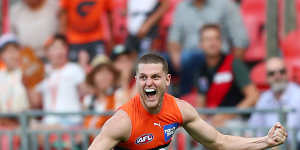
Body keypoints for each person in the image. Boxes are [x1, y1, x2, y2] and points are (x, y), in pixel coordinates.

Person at [88, 53, 287, 150]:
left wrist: (266, 141)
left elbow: (219, 142)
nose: (149, 82)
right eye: (143, 77)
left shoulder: (180, 109)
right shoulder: (122, 122)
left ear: (167, 81)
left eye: (156, 77)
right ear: (137, 81)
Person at [192, 24, 259, 127]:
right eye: (208, 39)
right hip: (212, 121)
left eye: (216, 38)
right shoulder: (201, 70)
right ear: (200, 44)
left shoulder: (234, 63)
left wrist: (227, 116)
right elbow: (201, 105)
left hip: (237, 121)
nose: (212, 43)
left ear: (221, 42)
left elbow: (253, 96)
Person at [167, 0, 248, 71]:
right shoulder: (182, 7)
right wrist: (175, 57)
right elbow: (173, 38)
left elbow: (240, 40)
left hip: (216, 55)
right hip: (186, 57)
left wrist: (232, 68)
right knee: (158, 62)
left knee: (189, 59)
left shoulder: (226, 4)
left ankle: (186, 88)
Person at [30, 34, 85, 127]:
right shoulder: (41, 71)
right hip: (49, 122)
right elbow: (36, 102)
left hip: (72, 121)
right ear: (47, 52)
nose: (59, 51)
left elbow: (85, 92)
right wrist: (28, 83)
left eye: (62, 47)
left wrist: (84, 65)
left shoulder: (74, 68)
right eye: (55, 48)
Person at [248, 57, 300, 147]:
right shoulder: (264, 98)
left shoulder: (298, 95)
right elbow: (253, 127)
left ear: (287, 74)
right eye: (272, 73)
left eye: (282, 71)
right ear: (267, 78)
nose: (277, 76)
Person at [0, 33, 29, 126]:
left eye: (15, 50)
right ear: (2, 55)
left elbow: (35, 102)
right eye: (8, 51)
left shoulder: (27, 72)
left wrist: (29, 86)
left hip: (23, 123)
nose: (12, 55)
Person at [83, 62, 120, 129]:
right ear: (93, 78)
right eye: (99, 73)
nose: (104, 77)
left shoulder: (119, 95)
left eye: (107, 72)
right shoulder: (88, 100)